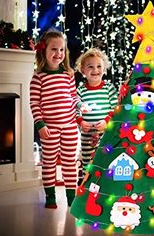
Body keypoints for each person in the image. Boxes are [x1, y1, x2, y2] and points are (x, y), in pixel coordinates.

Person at [30, 29, 88, 209]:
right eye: (54, 49)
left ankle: (72, 198)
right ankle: (50, 197)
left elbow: (73, 97)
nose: (58, 54)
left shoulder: (68, 75)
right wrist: (40, 124)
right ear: (44, 51)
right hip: (50, 128)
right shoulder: (38, 78)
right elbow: (34, 104)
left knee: (70, 163)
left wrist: (80, 105)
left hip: (70, 126)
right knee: (49, 162)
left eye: (61, 50)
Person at [75, 48, 118, 184]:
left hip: (105, 133)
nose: (95, 70)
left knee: (106, 157)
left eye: (99, 66)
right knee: (88, 160)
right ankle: (86, 184)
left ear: (104, 69)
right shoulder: (80, 90)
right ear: (83, 70)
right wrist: (81, 122)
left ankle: (105, 184)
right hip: (87, 134)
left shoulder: (108, 88)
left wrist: (106, 121)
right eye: (90, 67)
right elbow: (76, 109)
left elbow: (115, 109)